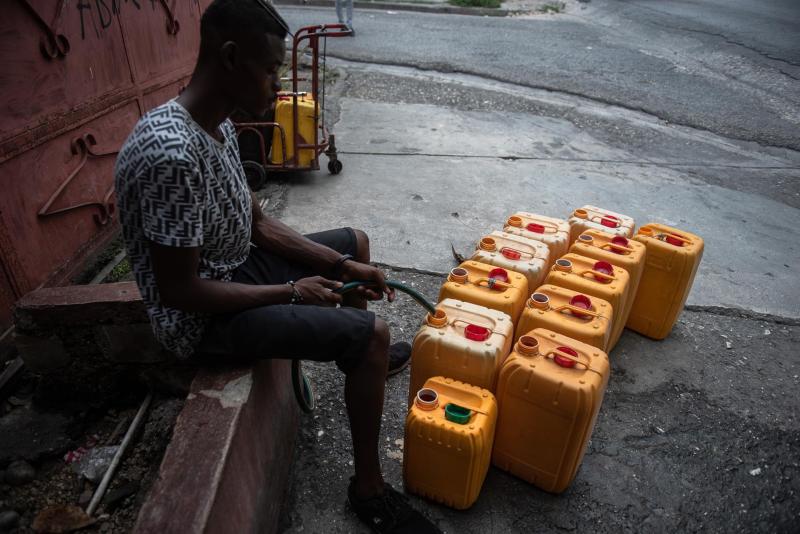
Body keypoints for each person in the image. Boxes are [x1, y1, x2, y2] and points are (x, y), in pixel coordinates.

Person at [113, 1, 440, 532]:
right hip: (202, 318)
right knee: (373, 334)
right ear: (230, 57)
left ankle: (352, 354)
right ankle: (369, 490)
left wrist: (339, 265)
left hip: (235, 267)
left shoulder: (213, 126)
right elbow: (182, 293)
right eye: (270, 71)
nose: (276, 85)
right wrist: (291, 290)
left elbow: (258, 224)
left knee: (355, 245)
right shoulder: (168, 153)